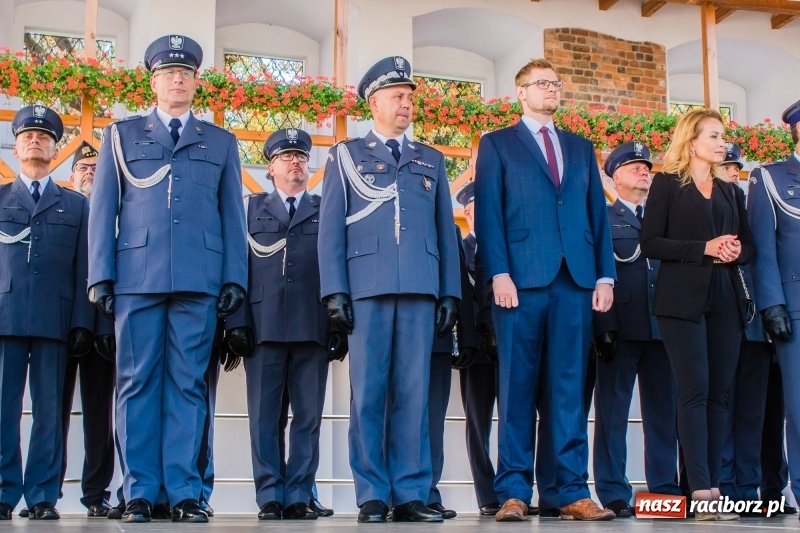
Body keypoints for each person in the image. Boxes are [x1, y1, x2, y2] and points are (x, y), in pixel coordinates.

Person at [87, 34, 248, 523]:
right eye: (168, 73)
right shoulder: (121, 136)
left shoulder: (220, 141)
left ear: (196, 82)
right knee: (135, 385)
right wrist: (100, 275)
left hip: (199, 279)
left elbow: (231, 216)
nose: (177, 79)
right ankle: (138, 491)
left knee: (187, 386)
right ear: (153, 82)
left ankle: (183, 492)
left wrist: (234, 279)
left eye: (185, 73)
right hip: (137, 278)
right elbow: (104, 210)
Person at [318, 55, 460, 523]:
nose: (406, 104)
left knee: (414, 393)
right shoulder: (346, 156)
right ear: (374, 102)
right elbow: (331, 229)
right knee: (369, 393)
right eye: (397, 96)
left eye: (410, 97)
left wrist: (449, 292)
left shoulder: (431, 159)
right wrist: (335, 291)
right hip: (367, 288)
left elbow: (445, 231)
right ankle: (373, 493)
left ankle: (412, 492)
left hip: (420, 286)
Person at [474, 58, 616, 522]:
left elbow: (597, 213)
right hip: (519, 281)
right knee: (516, 387)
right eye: (542, 83)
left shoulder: (580, 147)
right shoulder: (497, 144)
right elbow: (488, 213)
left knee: (569, 389)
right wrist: (498, 272)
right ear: (521, 92)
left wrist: (605, 275)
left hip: (575, 281)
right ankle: (514, 492)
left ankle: (570, 490)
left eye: (555, 83)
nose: (551, 89)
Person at [225, 128, 347, 521]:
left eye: (301, 157)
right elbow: (236, 267)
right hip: (263, 327)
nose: (295, 162)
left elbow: (337, 266)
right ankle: (270, 496)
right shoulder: (249, 209)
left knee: (308, 419)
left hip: (313, 325)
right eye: (286, 157)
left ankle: (298, 494)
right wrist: (236, 322)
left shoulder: (326, 208)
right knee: (265, 419)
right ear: (270, 168)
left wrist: (337, 325)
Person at [640, 108, 754, 521]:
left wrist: (737, 250)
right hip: (680, 301)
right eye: (714, 136)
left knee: (720, 393)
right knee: (695, 390)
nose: (723, 143)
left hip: (725, 297)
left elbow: (749, 245)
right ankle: (700, 490)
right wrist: (703, 248)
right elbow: (651, 242)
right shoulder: (667, 184)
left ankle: (715, 486)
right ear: (692, 143)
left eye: (723, 136)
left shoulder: (730, 192)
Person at [0, 105, 94, 520]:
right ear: (16, 148)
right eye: (27, 136)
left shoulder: (74, 205)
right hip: (5, 317)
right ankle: (3, 491)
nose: (35, 141)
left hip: (54, 321)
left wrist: (82, 322)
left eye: (44, 137)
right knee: (2, 409)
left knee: (49, 412)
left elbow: (83, 268)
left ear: (56, 150)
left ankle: (41, 495)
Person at [592, 142, 680, 517]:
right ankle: (613, 492)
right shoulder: (602, 218)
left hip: (663, 328)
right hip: (621, 329)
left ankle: (664, 493)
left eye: (647, 168)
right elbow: (596, 274)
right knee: (612, 415)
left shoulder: (663, 218)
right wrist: (603, 326)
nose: (645, 172)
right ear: (615, 177)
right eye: (635, 167)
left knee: (664, 415)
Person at [747, 98, 800, 518]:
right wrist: (772, 303)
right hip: (795, 307)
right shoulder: (769, 177)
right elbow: (763, 248)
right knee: (798, 409)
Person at [59, 141, 117, 517]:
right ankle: (46, 492)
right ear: (71, 176)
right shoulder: (63, 210)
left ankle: (96, 493)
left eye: (96, 167)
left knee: (100, 416)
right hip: (64, 326)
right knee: (55, 412)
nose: (90, 172)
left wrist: (106, 325)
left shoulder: (118, 213)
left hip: (106, 329)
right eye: (83, 168)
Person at [713, 142, 772, 513]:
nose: (734, 175)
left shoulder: (755, 211)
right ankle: (723, 486)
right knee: (721, 409)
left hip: (756, 328)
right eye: (727, 169)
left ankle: (748, 489)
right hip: (722, 323)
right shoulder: (707, 213)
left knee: (752, 413)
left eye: (737, 170)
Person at [456, 182, 501, 516]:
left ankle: (514, 490)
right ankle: (487, 495)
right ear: (467, 214)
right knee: (477, 424)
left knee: (516, 420)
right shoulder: (459, 250)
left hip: (509, 348)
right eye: (476, 210)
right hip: (475, 350)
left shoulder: (504, 251)